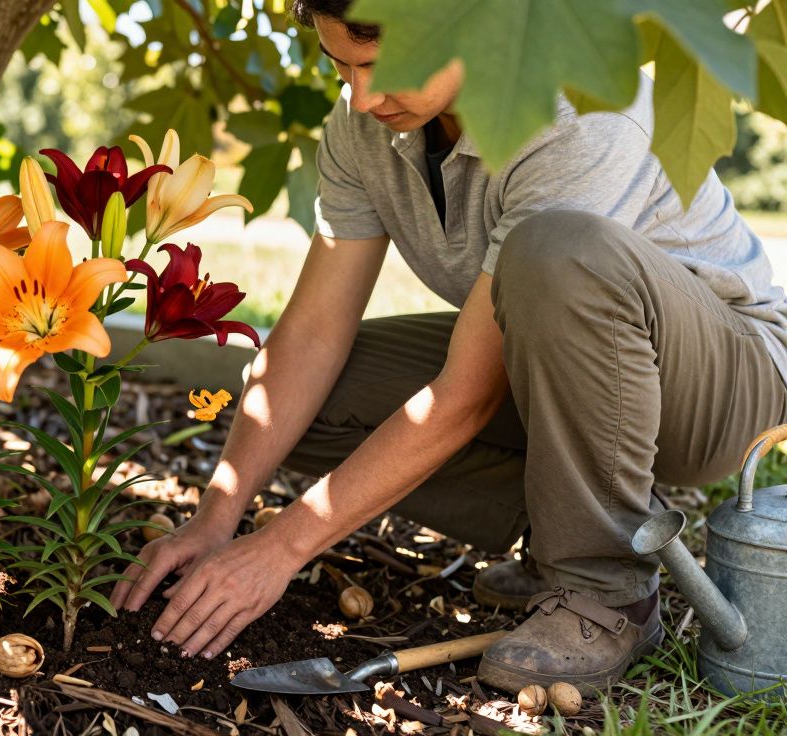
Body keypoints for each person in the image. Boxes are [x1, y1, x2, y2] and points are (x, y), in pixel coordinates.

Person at [109, 0, 787, 693]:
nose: (362, 95)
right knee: (294, 404)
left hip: (722, 387)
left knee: (555, 249)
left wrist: (281, 548)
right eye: (339, 64)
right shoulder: (361, 124)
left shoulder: (577, 112)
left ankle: (605, 591)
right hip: (565, 374)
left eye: (377, 66)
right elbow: (311, 335)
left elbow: (464, 395)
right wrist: (216, 520)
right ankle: (567, 529)